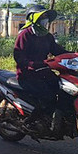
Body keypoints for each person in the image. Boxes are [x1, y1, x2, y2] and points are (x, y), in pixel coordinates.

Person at [13, 7, 68, 136]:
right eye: (42, 17)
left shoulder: (47, 36)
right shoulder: (25, 35)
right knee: (47, 96)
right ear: (34, 18)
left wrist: (76, 54)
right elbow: (19, 56)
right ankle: (31, 121)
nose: (45, 20)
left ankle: (55, 120)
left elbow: (57, 50)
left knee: (61, 90)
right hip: (27, 75)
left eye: (46, 18)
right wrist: (32, 64)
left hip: (44, 72)